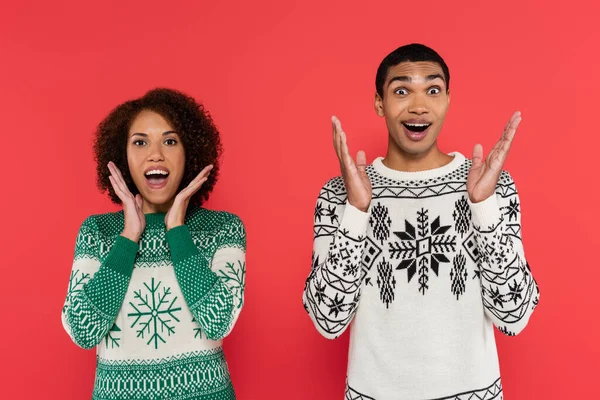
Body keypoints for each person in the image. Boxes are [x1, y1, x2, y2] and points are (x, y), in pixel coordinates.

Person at [302, 43, 539, 399]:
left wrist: (484, 206)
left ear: (447, 100)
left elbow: (514, 316)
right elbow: (327, 321)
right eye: (401, 90)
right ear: (379, 103)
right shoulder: (341, 193)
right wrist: (356, 210)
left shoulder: (492, 186)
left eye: (432, 90)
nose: (418, 105)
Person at [61, 88, 246, 399]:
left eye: (170, 141)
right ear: (122, 156)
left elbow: (218, 322)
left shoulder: (223, 228)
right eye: (140, 142)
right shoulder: (98, 233)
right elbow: (82, 330)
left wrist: (177, 230)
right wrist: (128, 238)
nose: (156, 153)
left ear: (190, 153)